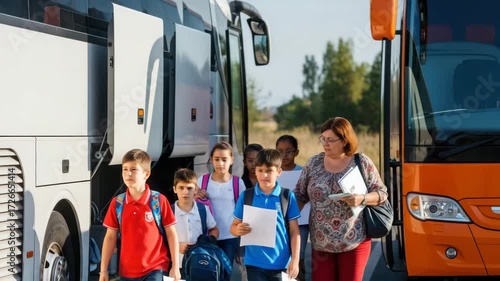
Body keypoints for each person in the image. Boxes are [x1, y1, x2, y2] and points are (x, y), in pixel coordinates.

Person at [293, 117, 388, 281]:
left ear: (345, 140)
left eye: (330, 140)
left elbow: (382, 193)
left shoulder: (361, 162)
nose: (325, 143)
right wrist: (284, 220)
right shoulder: (313, 163)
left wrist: (362, 198)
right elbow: (299, 195)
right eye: (323, 138)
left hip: (354, 241)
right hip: (321, 244)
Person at [100, 149, 181, 281]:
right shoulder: (117, 203)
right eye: (124, 169)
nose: (128, 174)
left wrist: (176, 266)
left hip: (156, 267)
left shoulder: (158, 200)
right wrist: (103, 270)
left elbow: (172, 234)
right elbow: (110, 237)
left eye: (134, 169)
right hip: (127, 272)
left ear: (146, 174)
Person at [231, 149, 301, 281]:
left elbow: (294, 231)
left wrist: (295, 260)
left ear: (279, 172)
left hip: (281, 263)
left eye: (269, 170)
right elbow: (233, 227)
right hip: (254, 263)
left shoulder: (286, 196)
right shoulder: (246, 196)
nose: (264, 175)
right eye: (260, 170)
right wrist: (238, 229)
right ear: (255, 171)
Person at [195, 141, 246, 280]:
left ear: (231, 160)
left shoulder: (237, 183)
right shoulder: (202, 181)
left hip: (230, 237)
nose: (220, 163)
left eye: (224, 159)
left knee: (224, 274)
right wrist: (196, 196)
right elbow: (193, 207)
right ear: (211, 159)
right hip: (208, 235)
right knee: (208, 272)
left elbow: (243, 211)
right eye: (217, 159)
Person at [171, 168, 219, 277]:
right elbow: (162, 239)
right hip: (176, 266)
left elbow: (214, 229)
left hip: (200, 264)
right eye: (181, 188)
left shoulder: (203, 210)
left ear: (196, 189)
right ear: (174, 189)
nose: (185, 192)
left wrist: (209, 241)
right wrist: (178, 246)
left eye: (189, 188)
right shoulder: (169, 212)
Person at [275, 135, 308, 281]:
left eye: (289, 151)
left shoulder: (304, 172)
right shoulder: (272, 172)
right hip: (277, 223)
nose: (284, 155)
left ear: (297, 152)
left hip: (301, 223)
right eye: (280, 151)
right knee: (280, 257)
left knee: (298, 257)